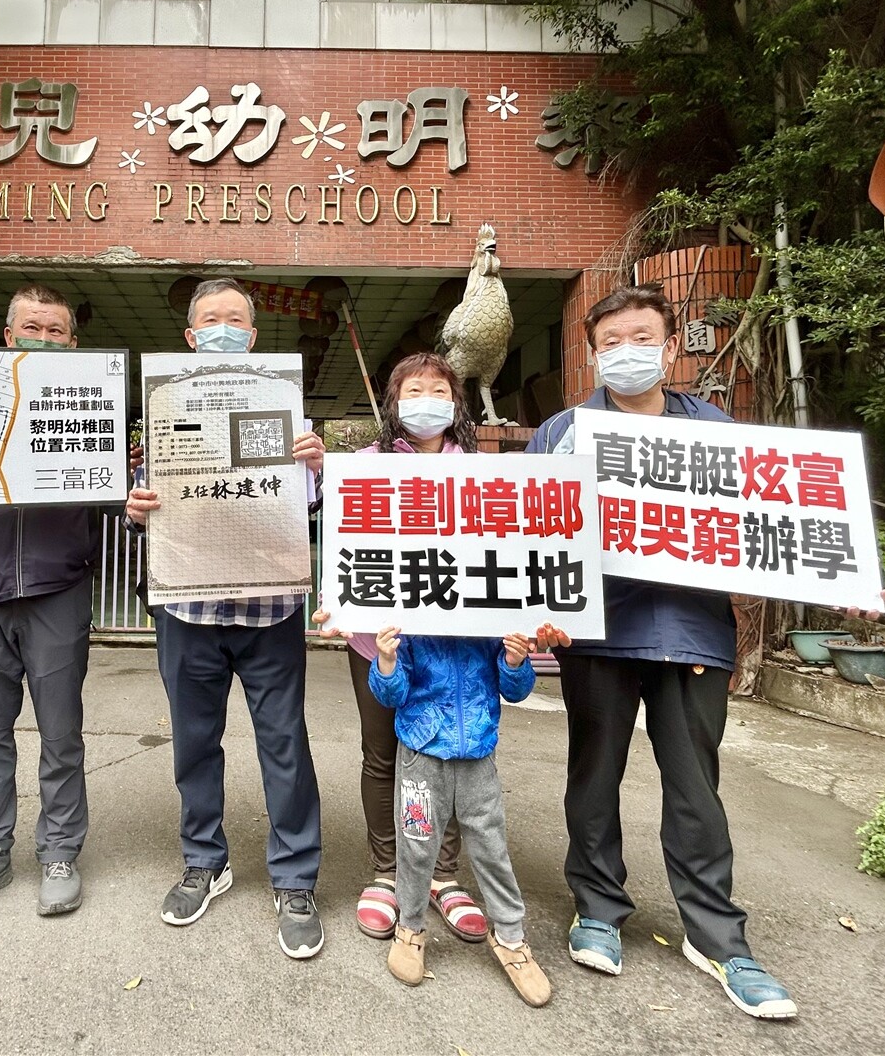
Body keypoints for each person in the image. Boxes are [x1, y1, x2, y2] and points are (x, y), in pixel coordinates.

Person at [525, 283, 799, 1019]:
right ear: (591, 354)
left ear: (671, 347)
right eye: (610, 342)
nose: (626, 353)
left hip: (689, 635)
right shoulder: (560, 434)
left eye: (641, 337)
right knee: (593, 777)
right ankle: (598, 910)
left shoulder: (714, 429)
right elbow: (530, 540)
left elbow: (758, 527)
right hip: (595, 638)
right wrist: (539, 613)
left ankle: (717, 938)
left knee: (696, 791)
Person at [124, 277, 328, 960]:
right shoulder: (163, 411)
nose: (220, 328)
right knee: (193, 745)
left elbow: (308, 510)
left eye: (233, 320)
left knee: (285, 747)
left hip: (271, 607)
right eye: (208, 319)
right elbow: (148, 507)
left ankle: (295, 878)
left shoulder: (288, 414)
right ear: (190, 338)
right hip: (187, 606)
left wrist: (317, 470)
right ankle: (204, 861)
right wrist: (135, 508)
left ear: (251, 335)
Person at [312, 353, 492, 945]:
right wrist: (338, 605)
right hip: (378, 643)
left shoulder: (486, 473)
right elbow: (341, 541)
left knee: (454, 758)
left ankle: (442, 875)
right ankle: (387, 873)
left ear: (456, 402)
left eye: (438, 389)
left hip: (455, 647)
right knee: (383, 757)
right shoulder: (363, 467)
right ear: (393, 403)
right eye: (413, 390)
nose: (426, 400)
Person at [0, 285, 100, 921]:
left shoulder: (94, 408)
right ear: (8, 336)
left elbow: (114, 495)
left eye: (55, 331)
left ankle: (59, 850)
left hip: (59, 587)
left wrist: (132, 501)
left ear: (72, 344)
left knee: (60, 732)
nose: (42, 339)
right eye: (31, 328)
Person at [368, 621, 563, 1007]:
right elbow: (391, 694)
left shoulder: (490, 619)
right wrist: (387, 660)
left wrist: (514, 660)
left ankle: (510, 938)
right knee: (416, 846)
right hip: (421, 754)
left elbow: (517, 689)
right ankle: (409, 930)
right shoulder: (413, 621)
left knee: (491, 847)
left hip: (478, 754)